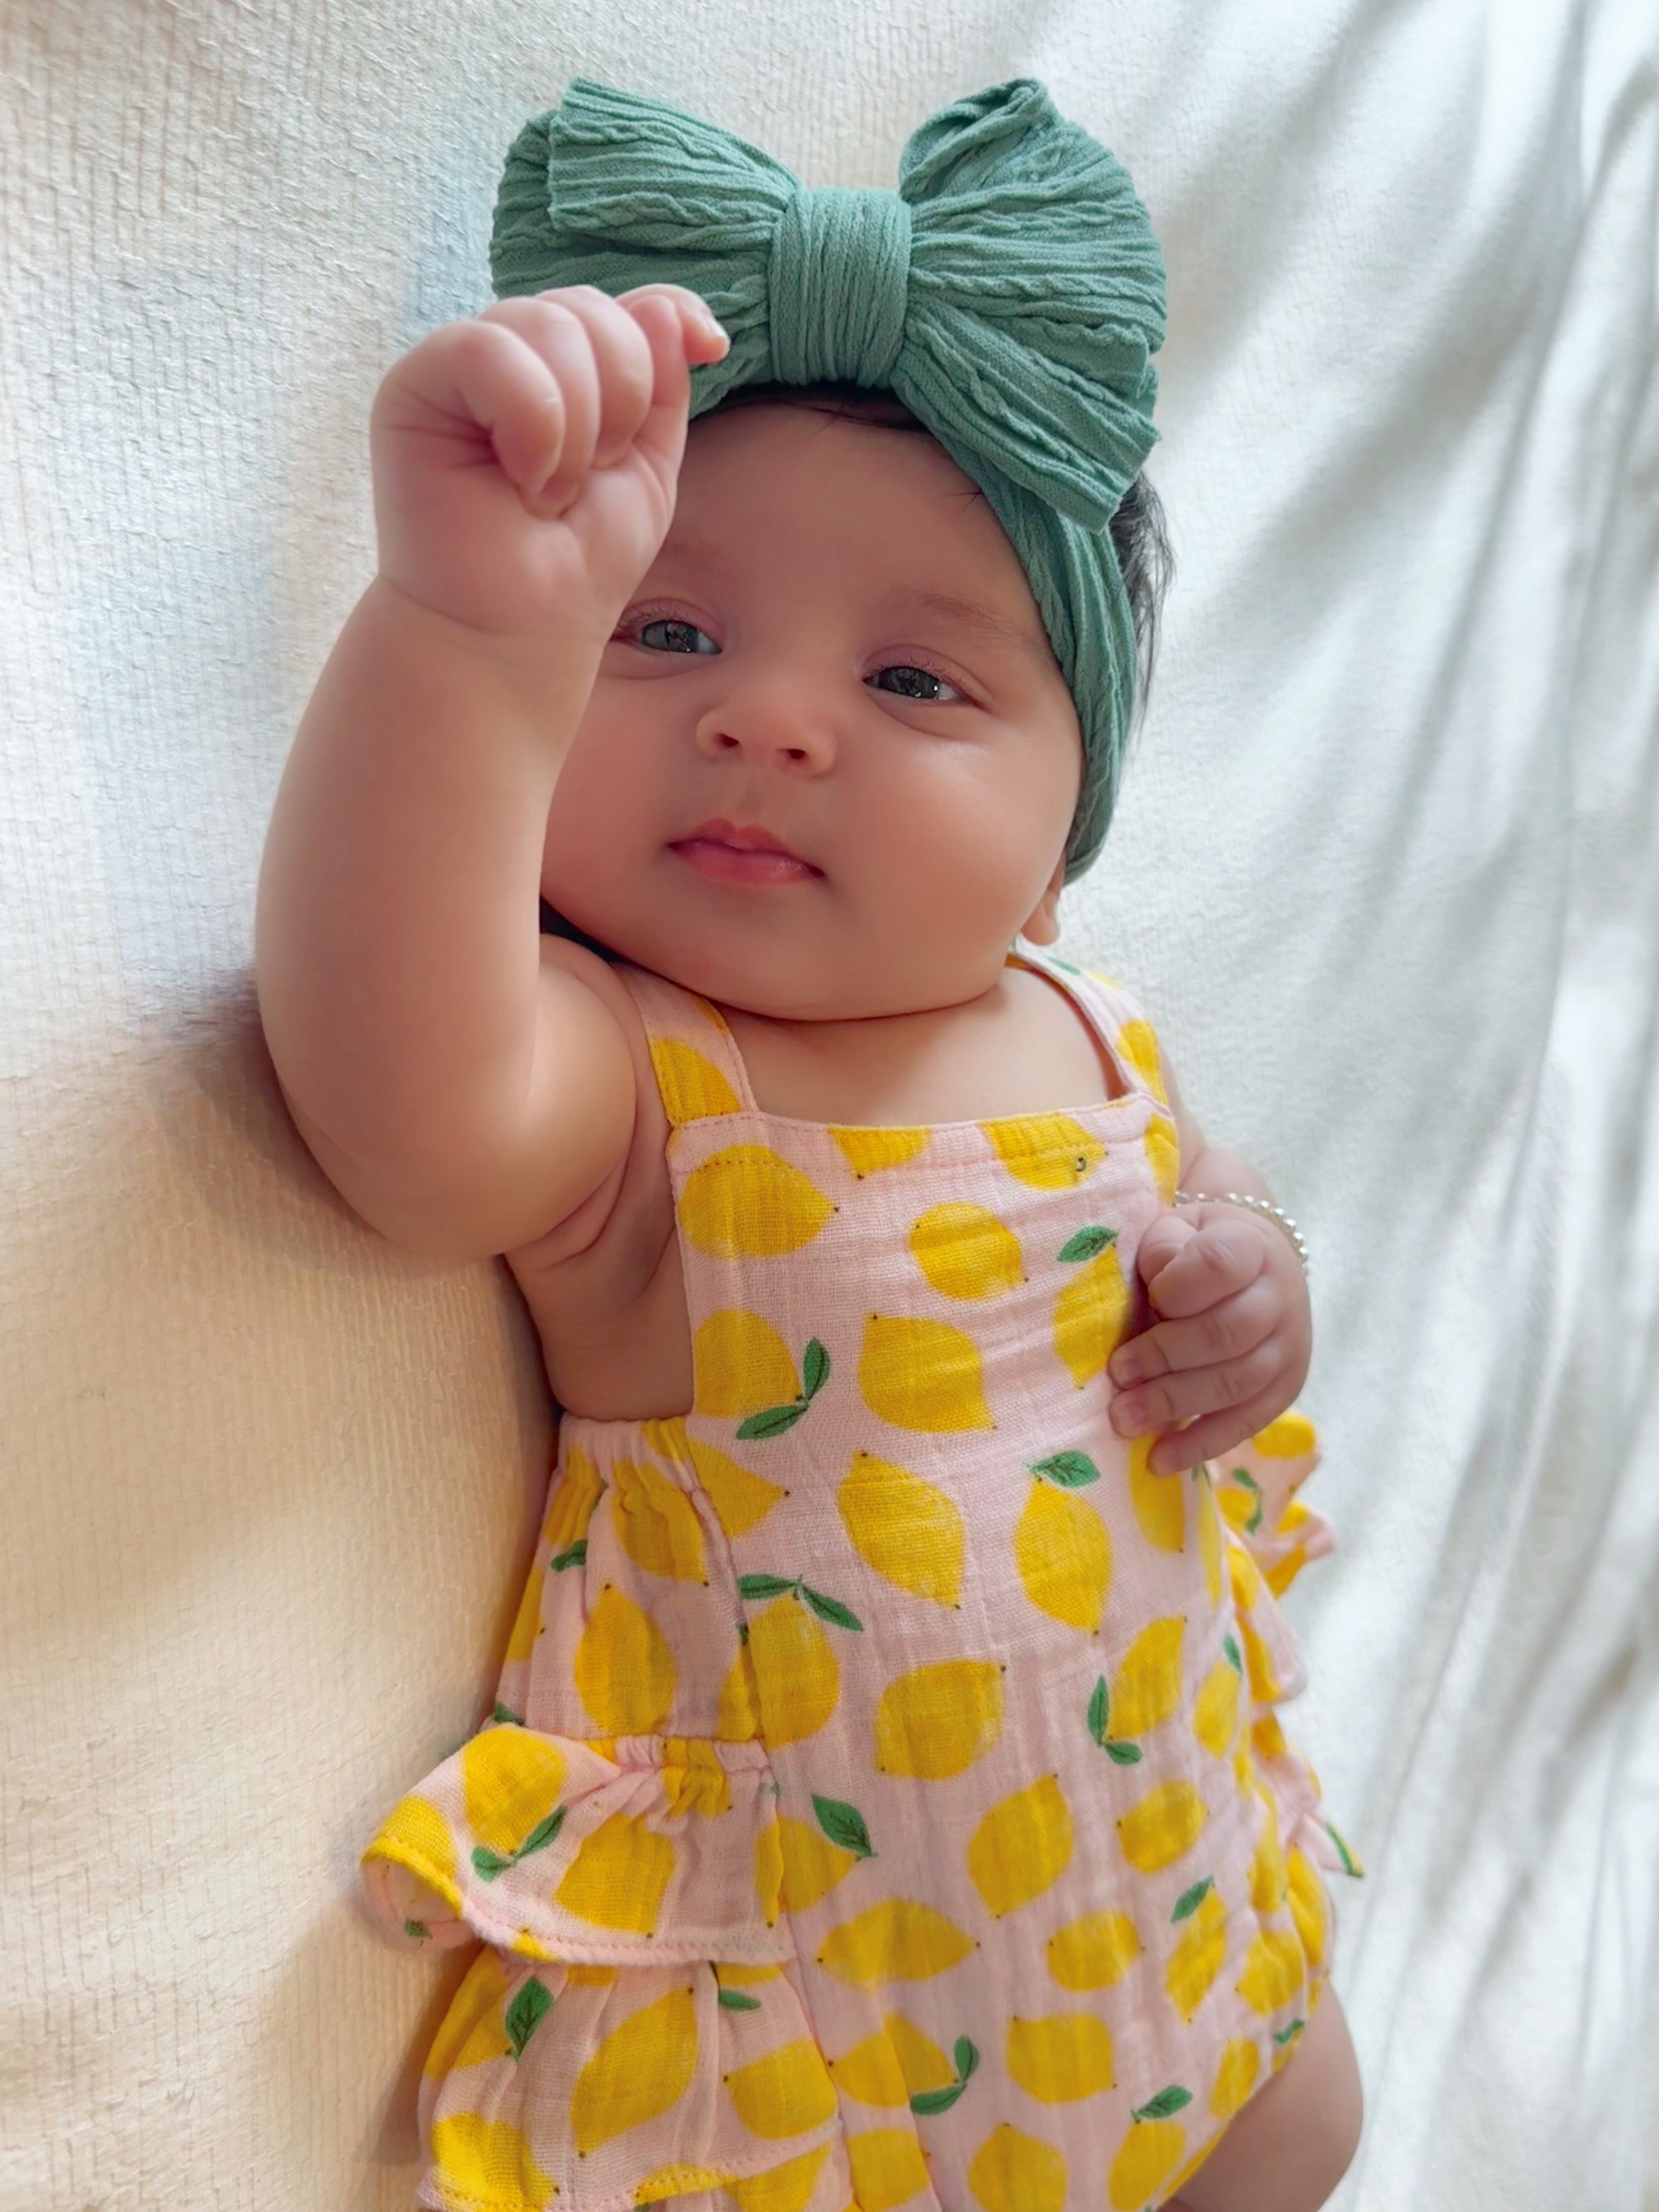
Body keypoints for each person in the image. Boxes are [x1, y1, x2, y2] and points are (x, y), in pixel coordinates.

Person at [255, 75, 1363, 2212]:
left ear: (1064, 843)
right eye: (663, 635)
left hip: (1187, 1868)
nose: (770, 717)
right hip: (863, 2042)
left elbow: (1204, 1194)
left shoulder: (1082, 1023)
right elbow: (400, 1098)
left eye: (921, 680)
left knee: (1308, 2126)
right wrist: (478, 635)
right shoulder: (644, 1084)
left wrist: (1258, 1272)